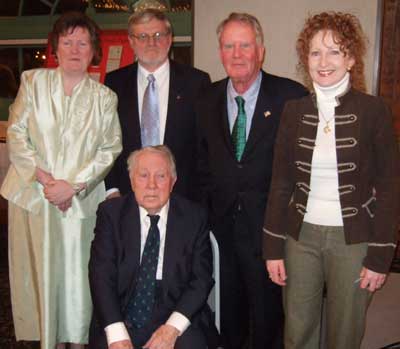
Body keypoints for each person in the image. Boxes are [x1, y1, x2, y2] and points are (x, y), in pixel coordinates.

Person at [263, 11, 400, 349]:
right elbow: (280, 184)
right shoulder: (294, 111)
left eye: (334, 51)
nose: (323, 61)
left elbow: (389, 188)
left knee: (345, 333)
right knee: (297, 331)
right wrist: (272, 248)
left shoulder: (374, 111)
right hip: (300, 236)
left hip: (353, 239)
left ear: (351, 58)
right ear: (305, 59)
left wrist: (380, 255)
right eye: (314, 52)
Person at [0, 12, 122, 349]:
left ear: (93, 50)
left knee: (77, 278)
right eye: (67, 42)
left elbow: (110, 147)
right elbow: (17, 132)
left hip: (79, 203)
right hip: (34, 198)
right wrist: (46, 180)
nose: (74, 49)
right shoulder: (33, 81)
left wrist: (75, 185)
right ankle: (43, 339)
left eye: (82, 42)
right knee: (38, 273)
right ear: (55, 47)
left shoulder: (104, 98)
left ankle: (76, 340)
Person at [196, 12, 308, 349]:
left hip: (270, 231)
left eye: (245, 45)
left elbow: (303, 169)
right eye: (229, 46)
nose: (237, 53)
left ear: (260, 50)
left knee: (268, 318)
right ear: (220, 52)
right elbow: (201, 164)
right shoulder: (206, 99)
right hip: (222, 229)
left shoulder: (291, 97)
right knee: (228, 316)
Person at [88, 145, 215, 349]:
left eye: (161, 176)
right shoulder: (111, 214)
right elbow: (101, 275)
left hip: (176, 310)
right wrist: (117, 333)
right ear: (131, 181)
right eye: (143, 175)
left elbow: (201, 279)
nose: (152, 185)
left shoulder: (194, 217)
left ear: (173, 182)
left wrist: (172, 328)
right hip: (122, 313)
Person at [104, 8, 211, 200]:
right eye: (143, 36)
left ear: (170, 39)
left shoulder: (197, 83)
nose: (151, 42)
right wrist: (112, 189)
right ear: (131, 41)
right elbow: (106, 139)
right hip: (128, 195)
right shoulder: (114, 83)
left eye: (158, 35)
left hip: (182, 196)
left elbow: (204, 147)